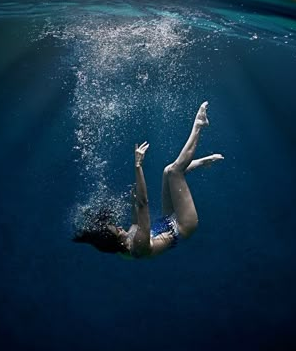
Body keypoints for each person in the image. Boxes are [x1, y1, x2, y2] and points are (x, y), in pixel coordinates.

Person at [73, 101, 223, 258]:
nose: (120, 227)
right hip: (183, 225)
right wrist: (138, 165)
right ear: (119, 243)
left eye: (117, 227)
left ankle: (202, 162)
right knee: (174, 172)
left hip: (168, 219)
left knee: (167, 171)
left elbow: (136, 223)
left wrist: (132, 205)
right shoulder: (138, 245)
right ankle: (199, 125)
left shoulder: (124, 246)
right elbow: (144, 204)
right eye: (118, 231)